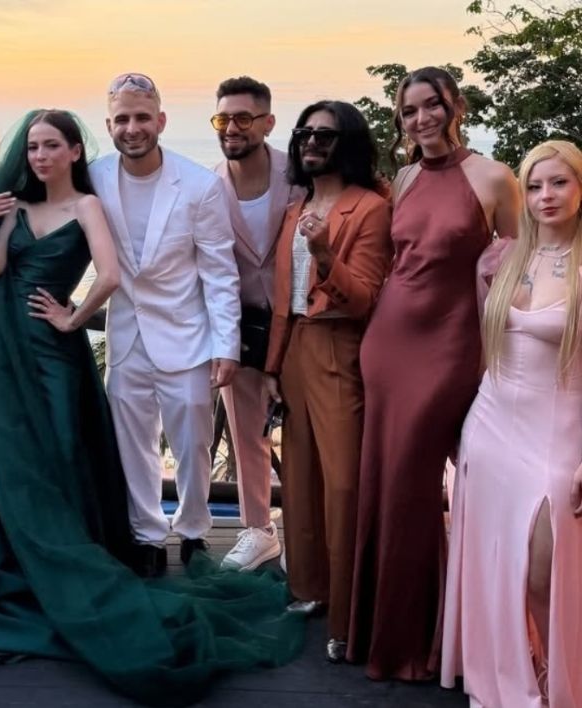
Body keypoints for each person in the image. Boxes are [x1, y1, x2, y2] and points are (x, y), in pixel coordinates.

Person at [0, 109, 304, 707]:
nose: (40, 155)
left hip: (55, 352)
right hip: (5, 350)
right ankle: (11, 556)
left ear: (76, 151)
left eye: (52, 146)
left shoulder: (87, 205)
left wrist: (74, 318)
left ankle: (70, 549)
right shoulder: (15, 207)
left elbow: (110, 275)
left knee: (59, 447)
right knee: (11, 452)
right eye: (33, 147)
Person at [347, 66, 521, 680]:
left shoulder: (496, 178)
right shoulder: (405, 177)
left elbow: (516, 271)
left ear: (455, 107)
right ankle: (381, 633)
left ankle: (419, 641)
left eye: (432, 106)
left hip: (451, 345)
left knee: (412, 484)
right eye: (409, 110)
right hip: (388, 341)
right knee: (382, 479)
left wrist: (501, 358)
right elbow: (398, 262)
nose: (420, 119)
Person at [441, 140, 582, 707]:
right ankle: (524, 675)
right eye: (535, 185)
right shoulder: (502, 258)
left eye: (560, 182)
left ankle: (561, 684)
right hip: (490, 426)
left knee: (544, 572)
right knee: (495, 567)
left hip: (558, 431)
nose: (546, 196)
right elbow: (479, 349)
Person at [90, 73, 241, 577]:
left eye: (141, 117)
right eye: (122, 119)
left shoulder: (199, 185)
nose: (132, 128)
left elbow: (219, 271)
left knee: (193, 445)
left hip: (187, 336)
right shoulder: (94, 177)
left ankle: (194, 529)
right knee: (132, 444)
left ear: (160, 120)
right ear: (109, 125)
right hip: (125, 335)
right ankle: (148, 535)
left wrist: (227, 345)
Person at [263, 100, 392, 662]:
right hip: (295, 349)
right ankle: (309, 588)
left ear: (349, 144)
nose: (312, 142)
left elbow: (363, 298)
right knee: (299, 476)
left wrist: (322, 253)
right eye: (305, 133)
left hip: (340, 347)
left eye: (326, 135)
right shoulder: (297, 207)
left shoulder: (370, 208)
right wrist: (272, 366)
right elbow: (282, 301)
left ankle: (349, 613)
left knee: (342, 485)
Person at [211, 76, 294, 571]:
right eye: (223, 118)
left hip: (300, 323)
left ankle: (306, 532)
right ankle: (258, 529)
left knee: (307, 432)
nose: (232, 128)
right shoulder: (208, 185)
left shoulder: (298, 174)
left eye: (244, 117)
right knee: (246, 434)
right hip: (238, 326)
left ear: (267, 122)